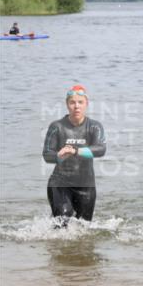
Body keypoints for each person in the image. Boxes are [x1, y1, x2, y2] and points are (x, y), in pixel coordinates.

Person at [42, 85, 107, 226]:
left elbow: (101, 149)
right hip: (60, 183)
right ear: (67, 105)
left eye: (80, 102)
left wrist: (75, 151)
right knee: (62, 221)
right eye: (72, 102)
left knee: (83, 229)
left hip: (86, 185)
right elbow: (47, 154)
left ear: (86, 104)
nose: (76, 106)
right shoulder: (57, 126)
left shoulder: (94, 126)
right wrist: (58, 156)